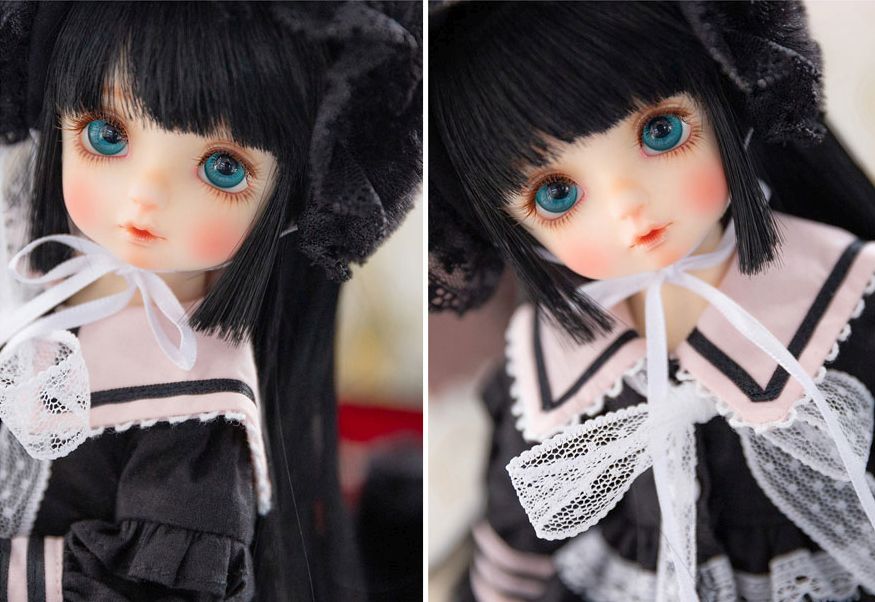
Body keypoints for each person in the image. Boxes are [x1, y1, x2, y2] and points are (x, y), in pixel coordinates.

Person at [429, 2, 875, 600]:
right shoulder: (547, 371)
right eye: (558, 194)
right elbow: (519, 535)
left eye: (660, 131)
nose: (628, 209)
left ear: (726, 100)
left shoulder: (846, 298)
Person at [0, 2, 421, 600]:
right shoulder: (25, 259)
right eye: (107, 135)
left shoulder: (196, 404)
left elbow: (152, 585)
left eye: (223, 168)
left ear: (293, 197)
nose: (144, 196)